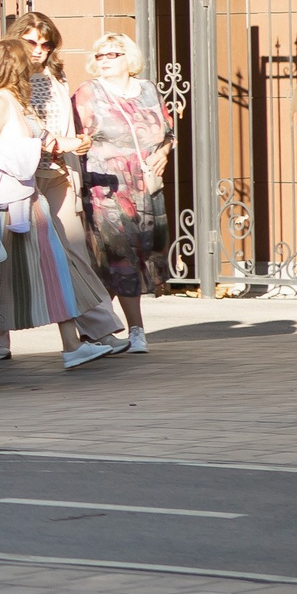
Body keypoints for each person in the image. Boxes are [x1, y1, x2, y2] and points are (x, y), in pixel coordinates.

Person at [0, 18, 127, 367]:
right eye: (32, 43)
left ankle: (96, 329)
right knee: (8, 258)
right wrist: (41, 148)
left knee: (68, 252)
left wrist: (67, 146)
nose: (39, 51)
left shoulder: (54, 75)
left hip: (55, 175)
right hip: (16, 182)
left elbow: (49, 128)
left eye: (46, 45)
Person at [74, 33, 172, 355]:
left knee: (136, 253)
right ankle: (136, 331)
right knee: (122, 256)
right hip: (108, 186)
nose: (104, 60)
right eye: (100, 55)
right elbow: (75, 136)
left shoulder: (148, 90)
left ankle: (94, 332)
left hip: (146, 182)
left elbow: (167, 132)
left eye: (112, 54)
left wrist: (165, 152)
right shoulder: (89, 93)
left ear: (129, 58)